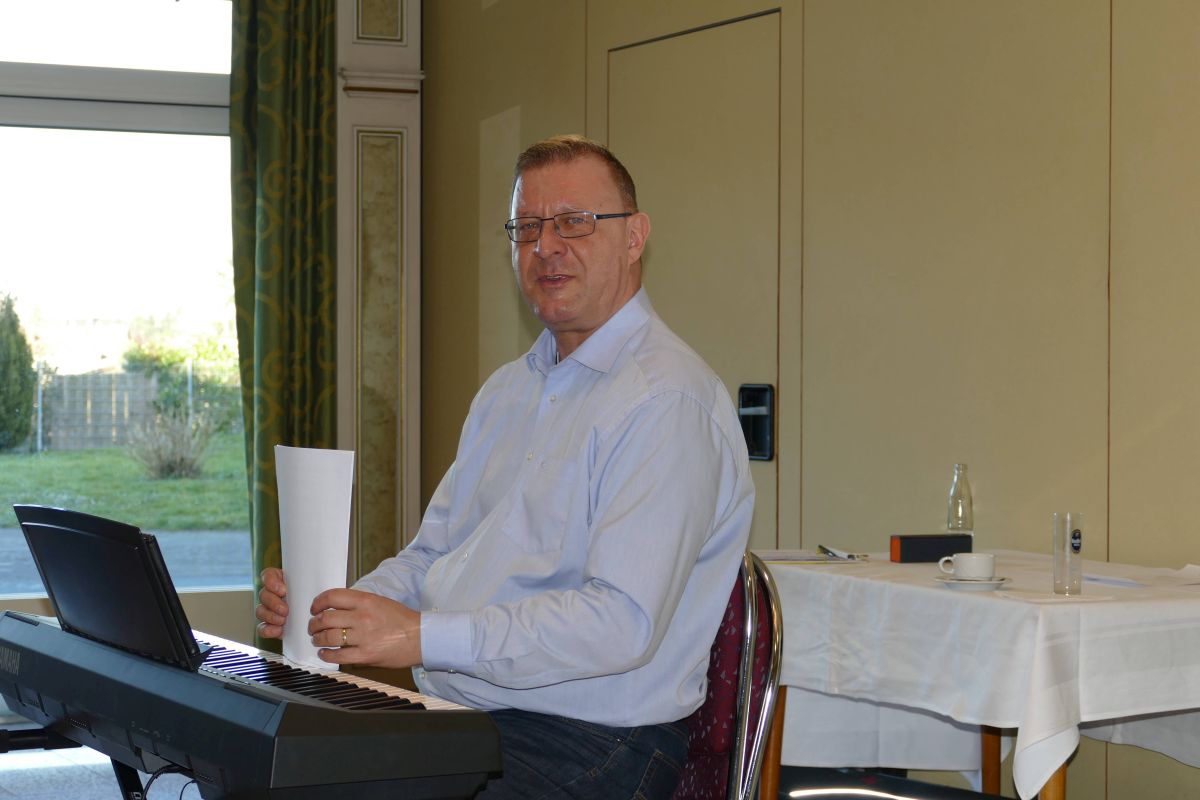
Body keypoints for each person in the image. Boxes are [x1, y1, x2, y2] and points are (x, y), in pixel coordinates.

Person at [255, 135, 754, 799]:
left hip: (596, 741)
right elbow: (433, 556)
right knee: (264, 765)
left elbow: (619, 625)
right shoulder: (507, 391)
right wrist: (336, 611)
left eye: (574, 222)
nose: (546, 246)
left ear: (634, 238)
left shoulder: (667, 401)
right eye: (527, 228)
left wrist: (420, 636)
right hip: (471, 714)